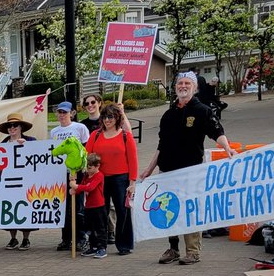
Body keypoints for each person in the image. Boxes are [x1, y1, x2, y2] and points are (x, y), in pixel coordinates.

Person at [140, 71, 236, 265]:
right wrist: (148, 170)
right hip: (167, 171)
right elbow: (162, 145)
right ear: (175, 87)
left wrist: (227, 147)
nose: (183, 86)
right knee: (170, 209)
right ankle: (173, 248)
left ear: (195, 88)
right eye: (180, 83)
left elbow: (216, 131)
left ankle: (193, 251)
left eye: (187, 83)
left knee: (190, 210)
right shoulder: (168, 115)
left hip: (190, 171)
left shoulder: (202, 110)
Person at [86, 103, 139, 255]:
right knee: (99, 211)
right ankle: (99, 243)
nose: (107, 120)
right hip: (99, 179)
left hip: (120, 179)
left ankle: (124, 244)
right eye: (104, 117)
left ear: (117, 118)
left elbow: (133, 160)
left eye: (110, 116)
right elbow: (86, 155)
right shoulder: (95, 135)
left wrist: (133, 182)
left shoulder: (125, 136)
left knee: (122, 211)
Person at [51, 102, 91, 252]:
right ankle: (66, 239)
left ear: (72, 113)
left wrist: (84, 168)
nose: (61, 115)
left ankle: (81, 238)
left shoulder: (80, 128)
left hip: (77, 173)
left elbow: (86, 149)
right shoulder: (54, 131)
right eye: (59, 112)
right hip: (60, 174)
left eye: (64, 112)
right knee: (64, 207)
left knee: (78, 206)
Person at [0, 114, 37, 250]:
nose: (12, 128)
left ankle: (26, 239)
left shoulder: (31, 141)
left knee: (25, 208)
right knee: (9, 209)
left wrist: (27, 147)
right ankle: (13, 238)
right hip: (8, 182)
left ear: (21, 127)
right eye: (9, 126)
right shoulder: (3, 144)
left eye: (15, 125)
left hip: (25, 182)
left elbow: (38, 157)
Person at [70, 153, 107, 259]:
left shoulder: (99, 176)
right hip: (88, 206)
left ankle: (102, 248)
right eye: (86, 167)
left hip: (98, 206)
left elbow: (90, 187)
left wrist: (76, 186)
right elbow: (82, 186)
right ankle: (93, 246)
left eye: (90, 167)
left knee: (99, 228)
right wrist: (75, 191)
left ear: (97, 166)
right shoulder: (86, 176)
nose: (87, 169)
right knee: (89, 228)